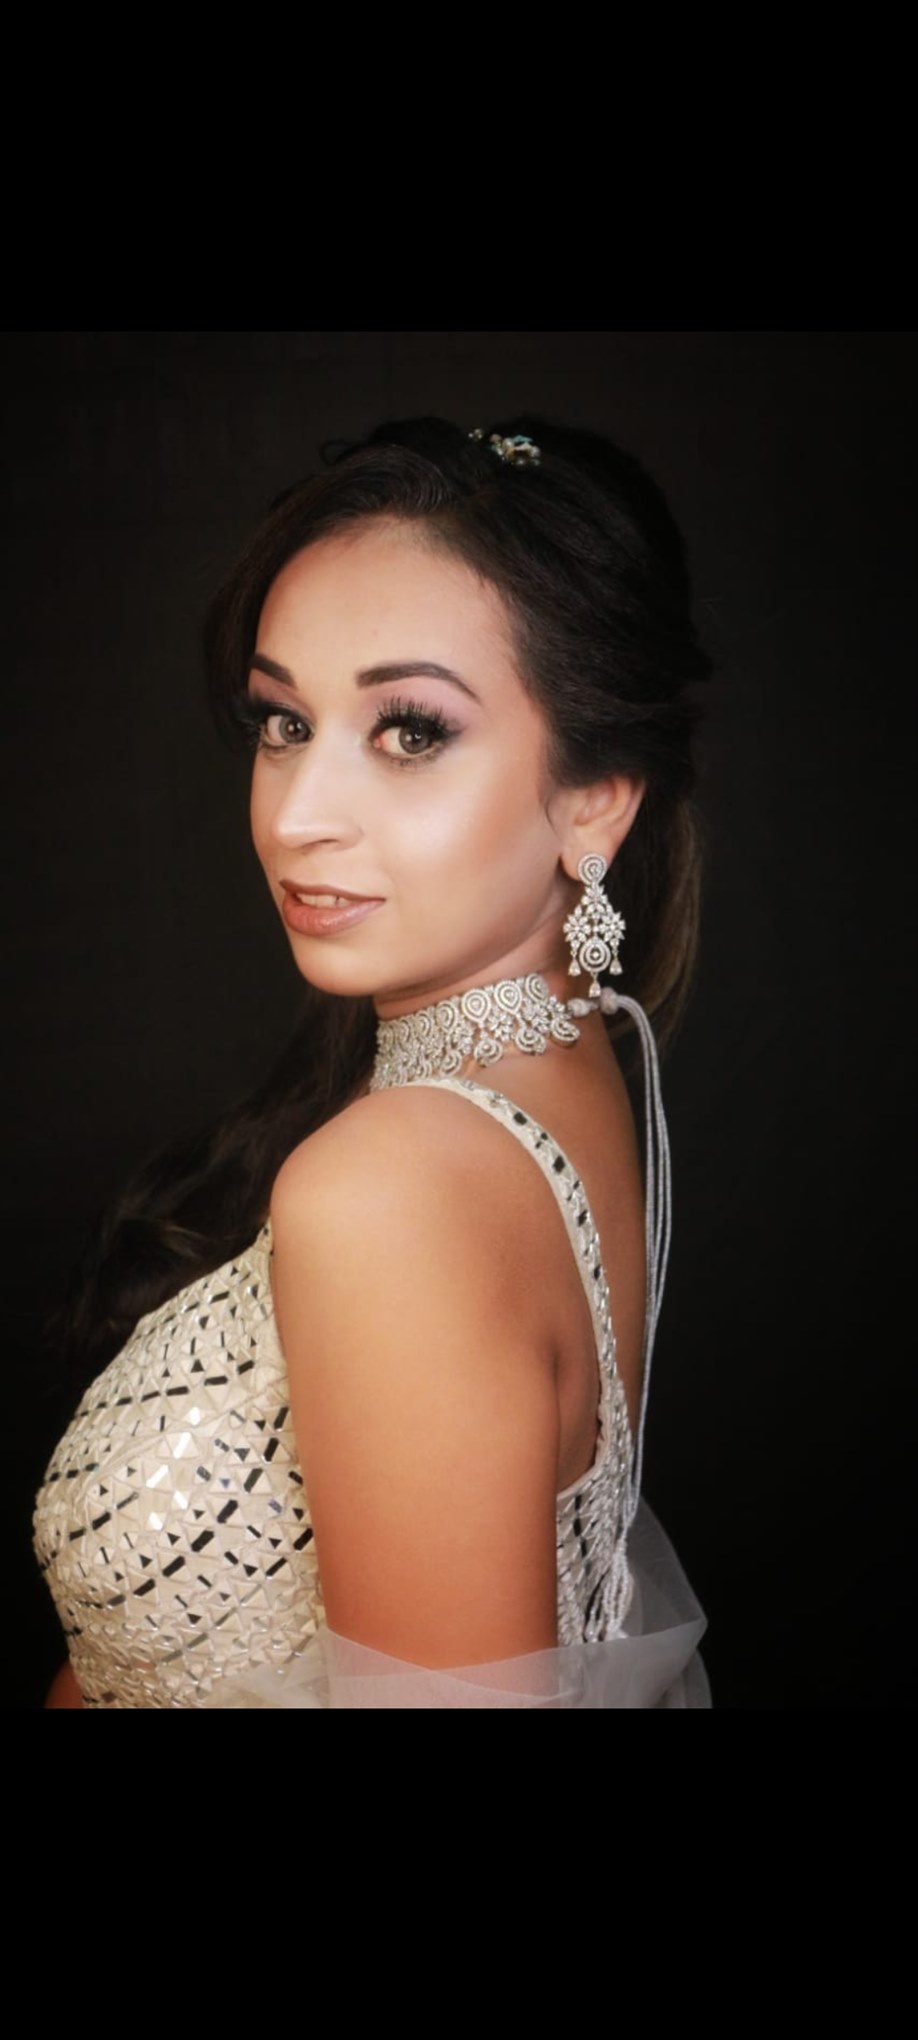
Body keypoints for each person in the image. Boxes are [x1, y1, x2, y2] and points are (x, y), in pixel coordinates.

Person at [34, 415, 713, 1708]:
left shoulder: (396, 1183)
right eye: (282, 721)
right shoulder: (565, 1066)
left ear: (595, 799)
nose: (297, 816)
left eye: (409, 731)